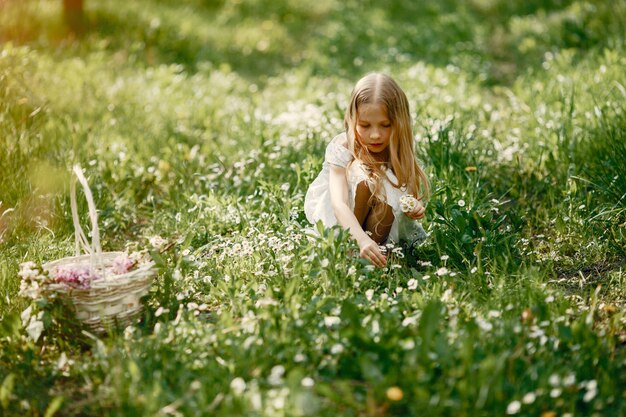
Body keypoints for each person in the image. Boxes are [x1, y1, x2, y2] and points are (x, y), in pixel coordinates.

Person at [305, 73, 429, 267]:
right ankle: (350, 251)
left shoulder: (397, 147)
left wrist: (414, 207)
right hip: (344, 222)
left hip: (380, 222)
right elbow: (339, 204)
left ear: (399, 122)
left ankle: (374, 258)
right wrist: (361, 239)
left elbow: (406, 193)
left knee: (384, 185)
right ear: (353, 119)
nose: (375, 134)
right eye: (364, 125)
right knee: (365, 179)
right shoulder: (344, 146)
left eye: (385, 125)